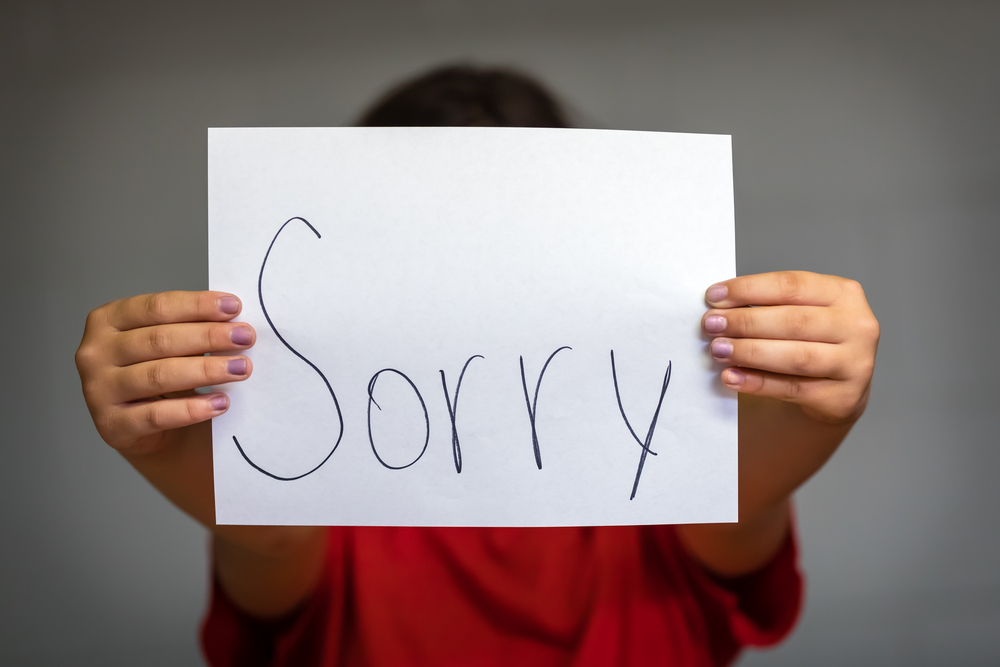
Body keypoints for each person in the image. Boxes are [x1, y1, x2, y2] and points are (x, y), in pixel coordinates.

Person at [74, 65, 880, 666]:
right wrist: (167, 441)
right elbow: (274, 537)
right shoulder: (333, 498)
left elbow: (735, 497)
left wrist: (821, 401)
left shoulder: (656, 472)